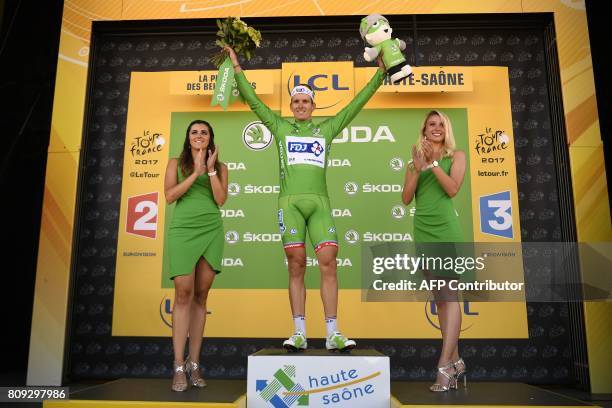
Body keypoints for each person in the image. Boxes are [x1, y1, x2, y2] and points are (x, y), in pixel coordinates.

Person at [224, 45, 385, 352]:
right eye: (296, 101)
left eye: (305, 101)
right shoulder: (281, 127)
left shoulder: (327, 129)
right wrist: (236, 68)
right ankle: (298, 332)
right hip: (290, 204)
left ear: (313, 105)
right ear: (291, 105)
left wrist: (379, 74)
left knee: (329, 264)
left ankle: (332, 333)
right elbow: (254, 102)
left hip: (320, 203)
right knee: (296, 265)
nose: (300, 105)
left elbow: (355, 106)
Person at [401, 110, 467, 392]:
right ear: (424, 130)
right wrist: (417, 168)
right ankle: (455, 362)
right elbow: (406, 198)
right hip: (423, 231)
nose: (437, 128)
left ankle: (444, 364)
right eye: (432, 124)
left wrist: (433, 164)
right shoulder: (414, 160)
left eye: (441, 124)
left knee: (450, 295)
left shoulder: (457, 156)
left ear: (446, 129)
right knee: (440, 298)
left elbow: (452, 189)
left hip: (446, 231)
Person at [164, 120, 228, 391]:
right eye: (194, 132)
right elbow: (169, 196)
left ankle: (195, 363)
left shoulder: (222, 167)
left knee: (201, 296)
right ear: (188, 138)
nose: (199, 135)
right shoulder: (174, 162)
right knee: (182, 293)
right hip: (183, 229)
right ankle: (178, 365)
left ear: (210, 138)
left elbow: (221, 200)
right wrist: (196, 172)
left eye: (204, 132)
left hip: (211, 229)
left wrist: (211, 171)